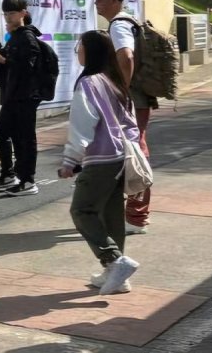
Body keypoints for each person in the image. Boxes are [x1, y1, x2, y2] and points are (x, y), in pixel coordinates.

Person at [59, 30, 142, 295]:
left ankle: (115, 261)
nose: (77, 51)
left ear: (90, 51)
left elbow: (83, 124)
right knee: (111, 215)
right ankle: (116, 276)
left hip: (100, 160)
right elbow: (131, 125)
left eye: (79, 46)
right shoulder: (113, 81)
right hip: (119, 157)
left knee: (82, 211)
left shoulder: (88, 84)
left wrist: (70, 159)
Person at [90, 0, 153, 233]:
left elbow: (126, 56)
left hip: (131, 99)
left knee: (135, 153)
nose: (97, 2)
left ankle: (136, 217)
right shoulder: (129, 21)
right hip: (139, 97)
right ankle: (132, 214)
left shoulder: (118, 26)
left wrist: (121, 92)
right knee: (132, 150)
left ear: (115, 0)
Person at [0, 0, 42, 195]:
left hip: (25, 95)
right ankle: (10, 173)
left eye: (12, 13)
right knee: (5, 133)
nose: (8, 17)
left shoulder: (27, 36)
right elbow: (10, 65)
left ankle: (28, 180)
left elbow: (28, 68)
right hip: (13, 94)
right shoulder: (15, 36)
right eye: (6, 13)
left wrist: (2, 59)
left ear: (23, 13)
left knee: (25, 137)